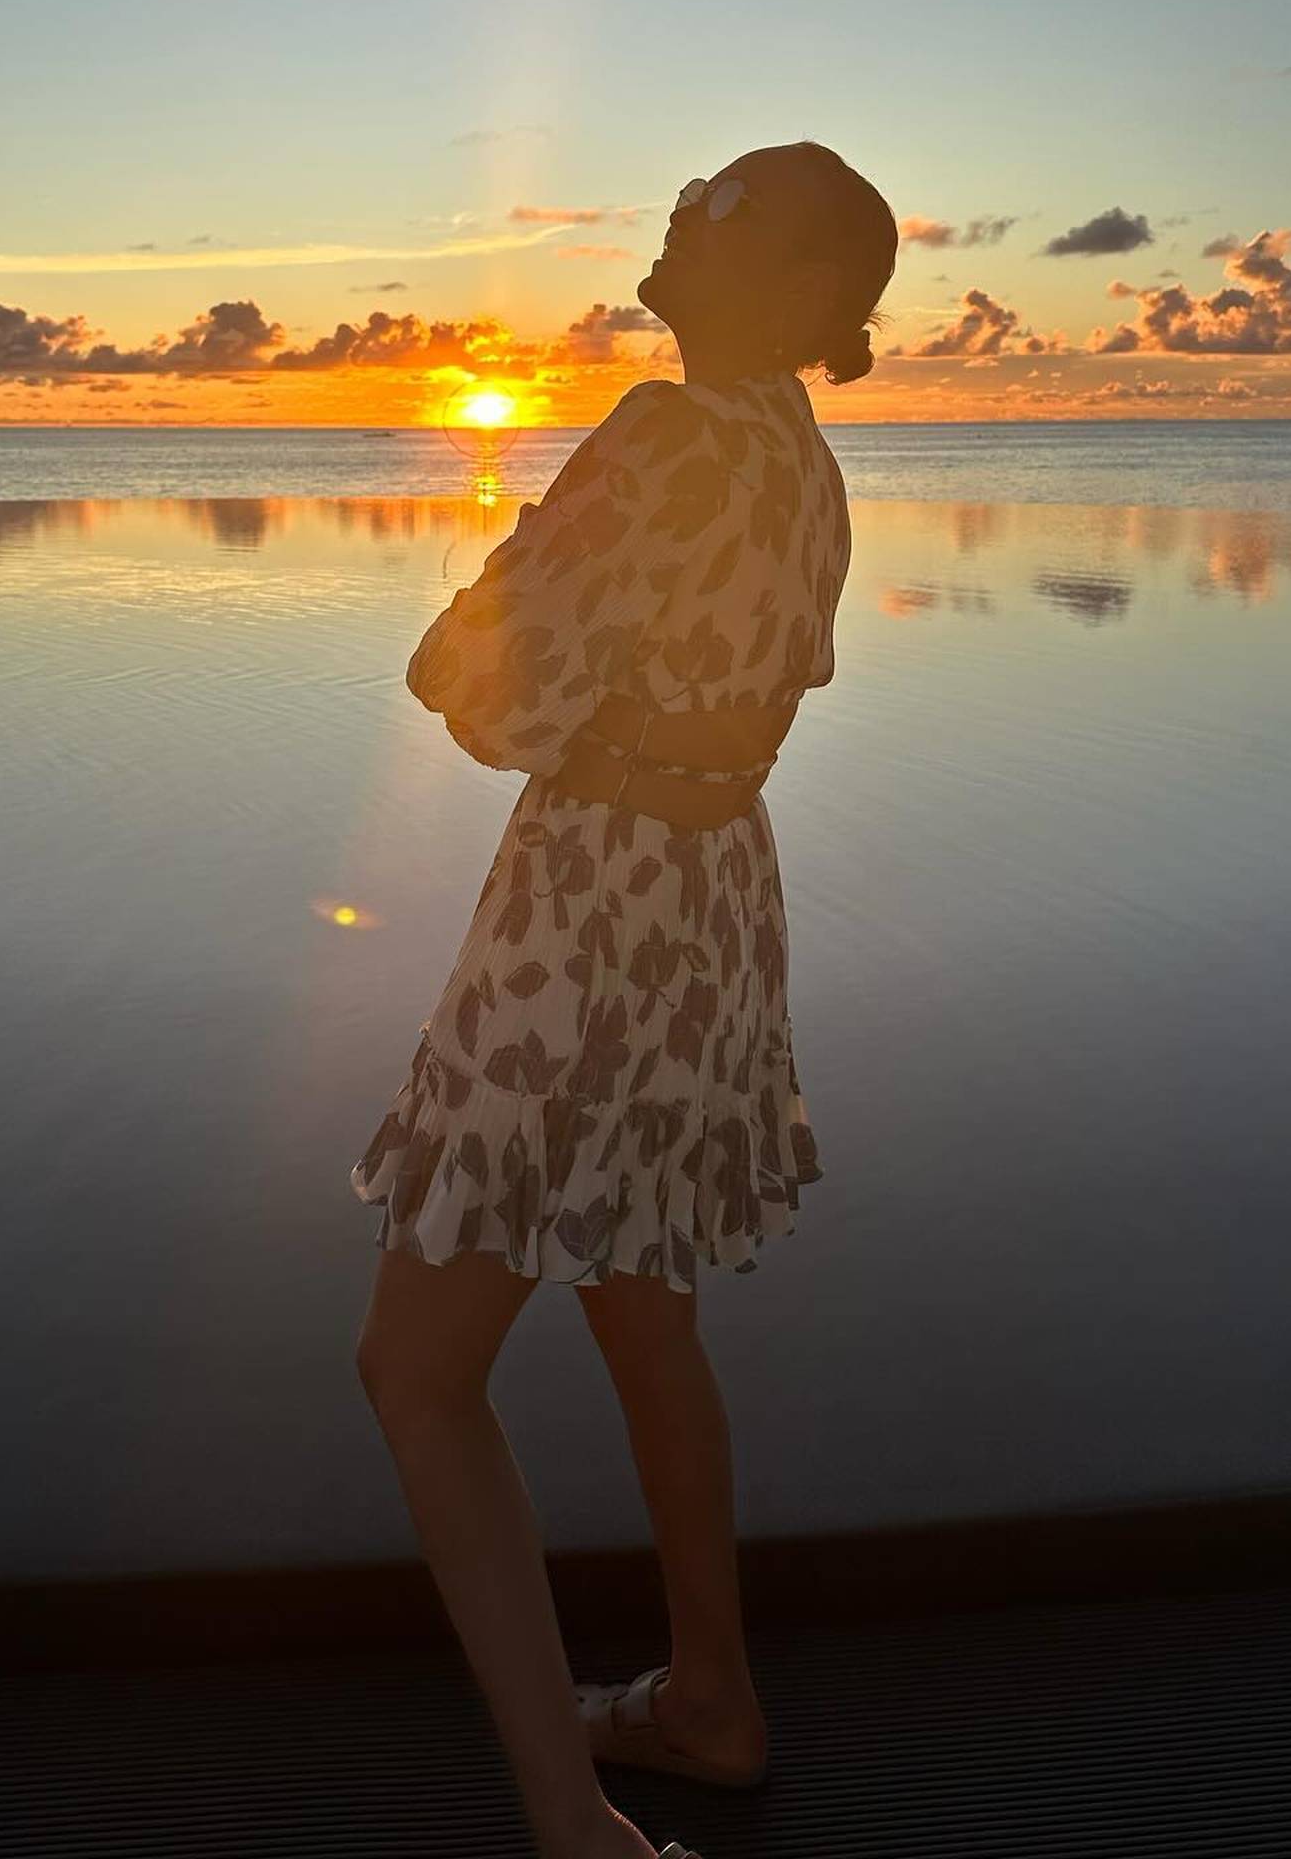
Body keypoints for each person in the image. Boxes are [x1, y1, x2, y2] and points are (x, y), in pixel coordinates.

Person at [349, 140, 895, 1859]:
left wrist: (486, 623)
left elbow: (476, 695)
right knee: (644, 1301)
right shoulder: (806, 463)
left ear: (810, 292)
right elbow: (764, 678)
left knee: (415, 1371)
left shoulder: (660, 443)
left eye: (724, 217)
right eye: (694, 199)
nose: (684, 222)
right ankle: (710, 1699)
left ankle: (574, 1827)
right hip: (717, 900)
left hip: (588, 913)